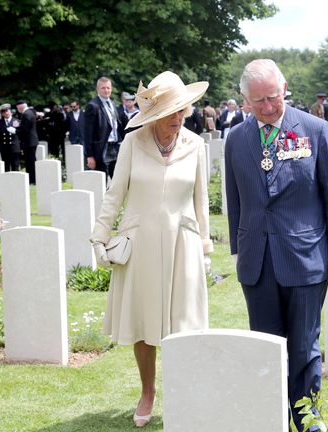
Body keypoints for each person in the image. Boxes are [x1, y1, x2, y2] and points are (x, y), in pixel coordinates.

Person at [224, 59, 328, 430]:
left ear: (285, 89)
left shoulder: (314, 130)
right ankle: (271, 414)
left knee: (304, 345)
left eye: (273, 97)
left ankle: (307, 418)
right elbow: (235, 199)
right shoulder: (236, 138)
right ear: (244, 100)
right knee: (266, 343)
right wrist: (239, 248)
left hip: (305, 257)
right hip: (257, 261)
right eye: (257, 100)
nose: (266, 107)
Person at [90, 71, 212, 428]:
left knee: (184, 322)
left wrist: (205, 245)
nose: (179, 117)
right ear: (155, 113)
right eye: (172, 111)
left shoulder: (194, 145)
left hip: (183, 242)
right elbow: (116, 193)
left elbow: (201, 200)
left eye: (183, 110)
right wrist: (99, 235)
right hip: (140, 240)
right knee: (143, 322)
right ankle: (148, 391)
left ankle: (183, 393)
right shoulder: (133, 143)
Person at [83, 76, 122, 177]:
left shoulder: (113, 104)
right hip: (101, 151)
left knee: (118, 182)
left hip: (114, 148)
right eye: (103, 88)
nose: (106, 90)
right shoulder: (92, 106)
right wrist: (90, 156)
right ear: (97, 89)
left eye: (108, 88)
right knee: (101, 183)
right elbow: (87, 133)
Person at [16, 100, 39, 184]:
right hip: (31, 140)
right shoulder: (30, 112)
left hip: (29, 141)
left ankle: (32, 180)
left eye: (17, 107)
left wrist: (15, 131)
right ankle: (32, 179)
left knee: (30, 162)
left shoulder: (26, 114)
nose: (17, 109)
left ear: (20, 106)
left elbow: (25, 129)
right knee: (30, 161)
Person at [0, 104, 20, 171]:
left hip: (14, 146)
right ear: (2, 114)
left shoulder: (16, 121)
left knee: (15, 166)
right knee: (5, 167)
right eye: (4, 112)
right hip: (4, 147)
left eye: (7, 111)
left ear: (10, 111)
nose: (6, 113)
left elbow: (18, 133)